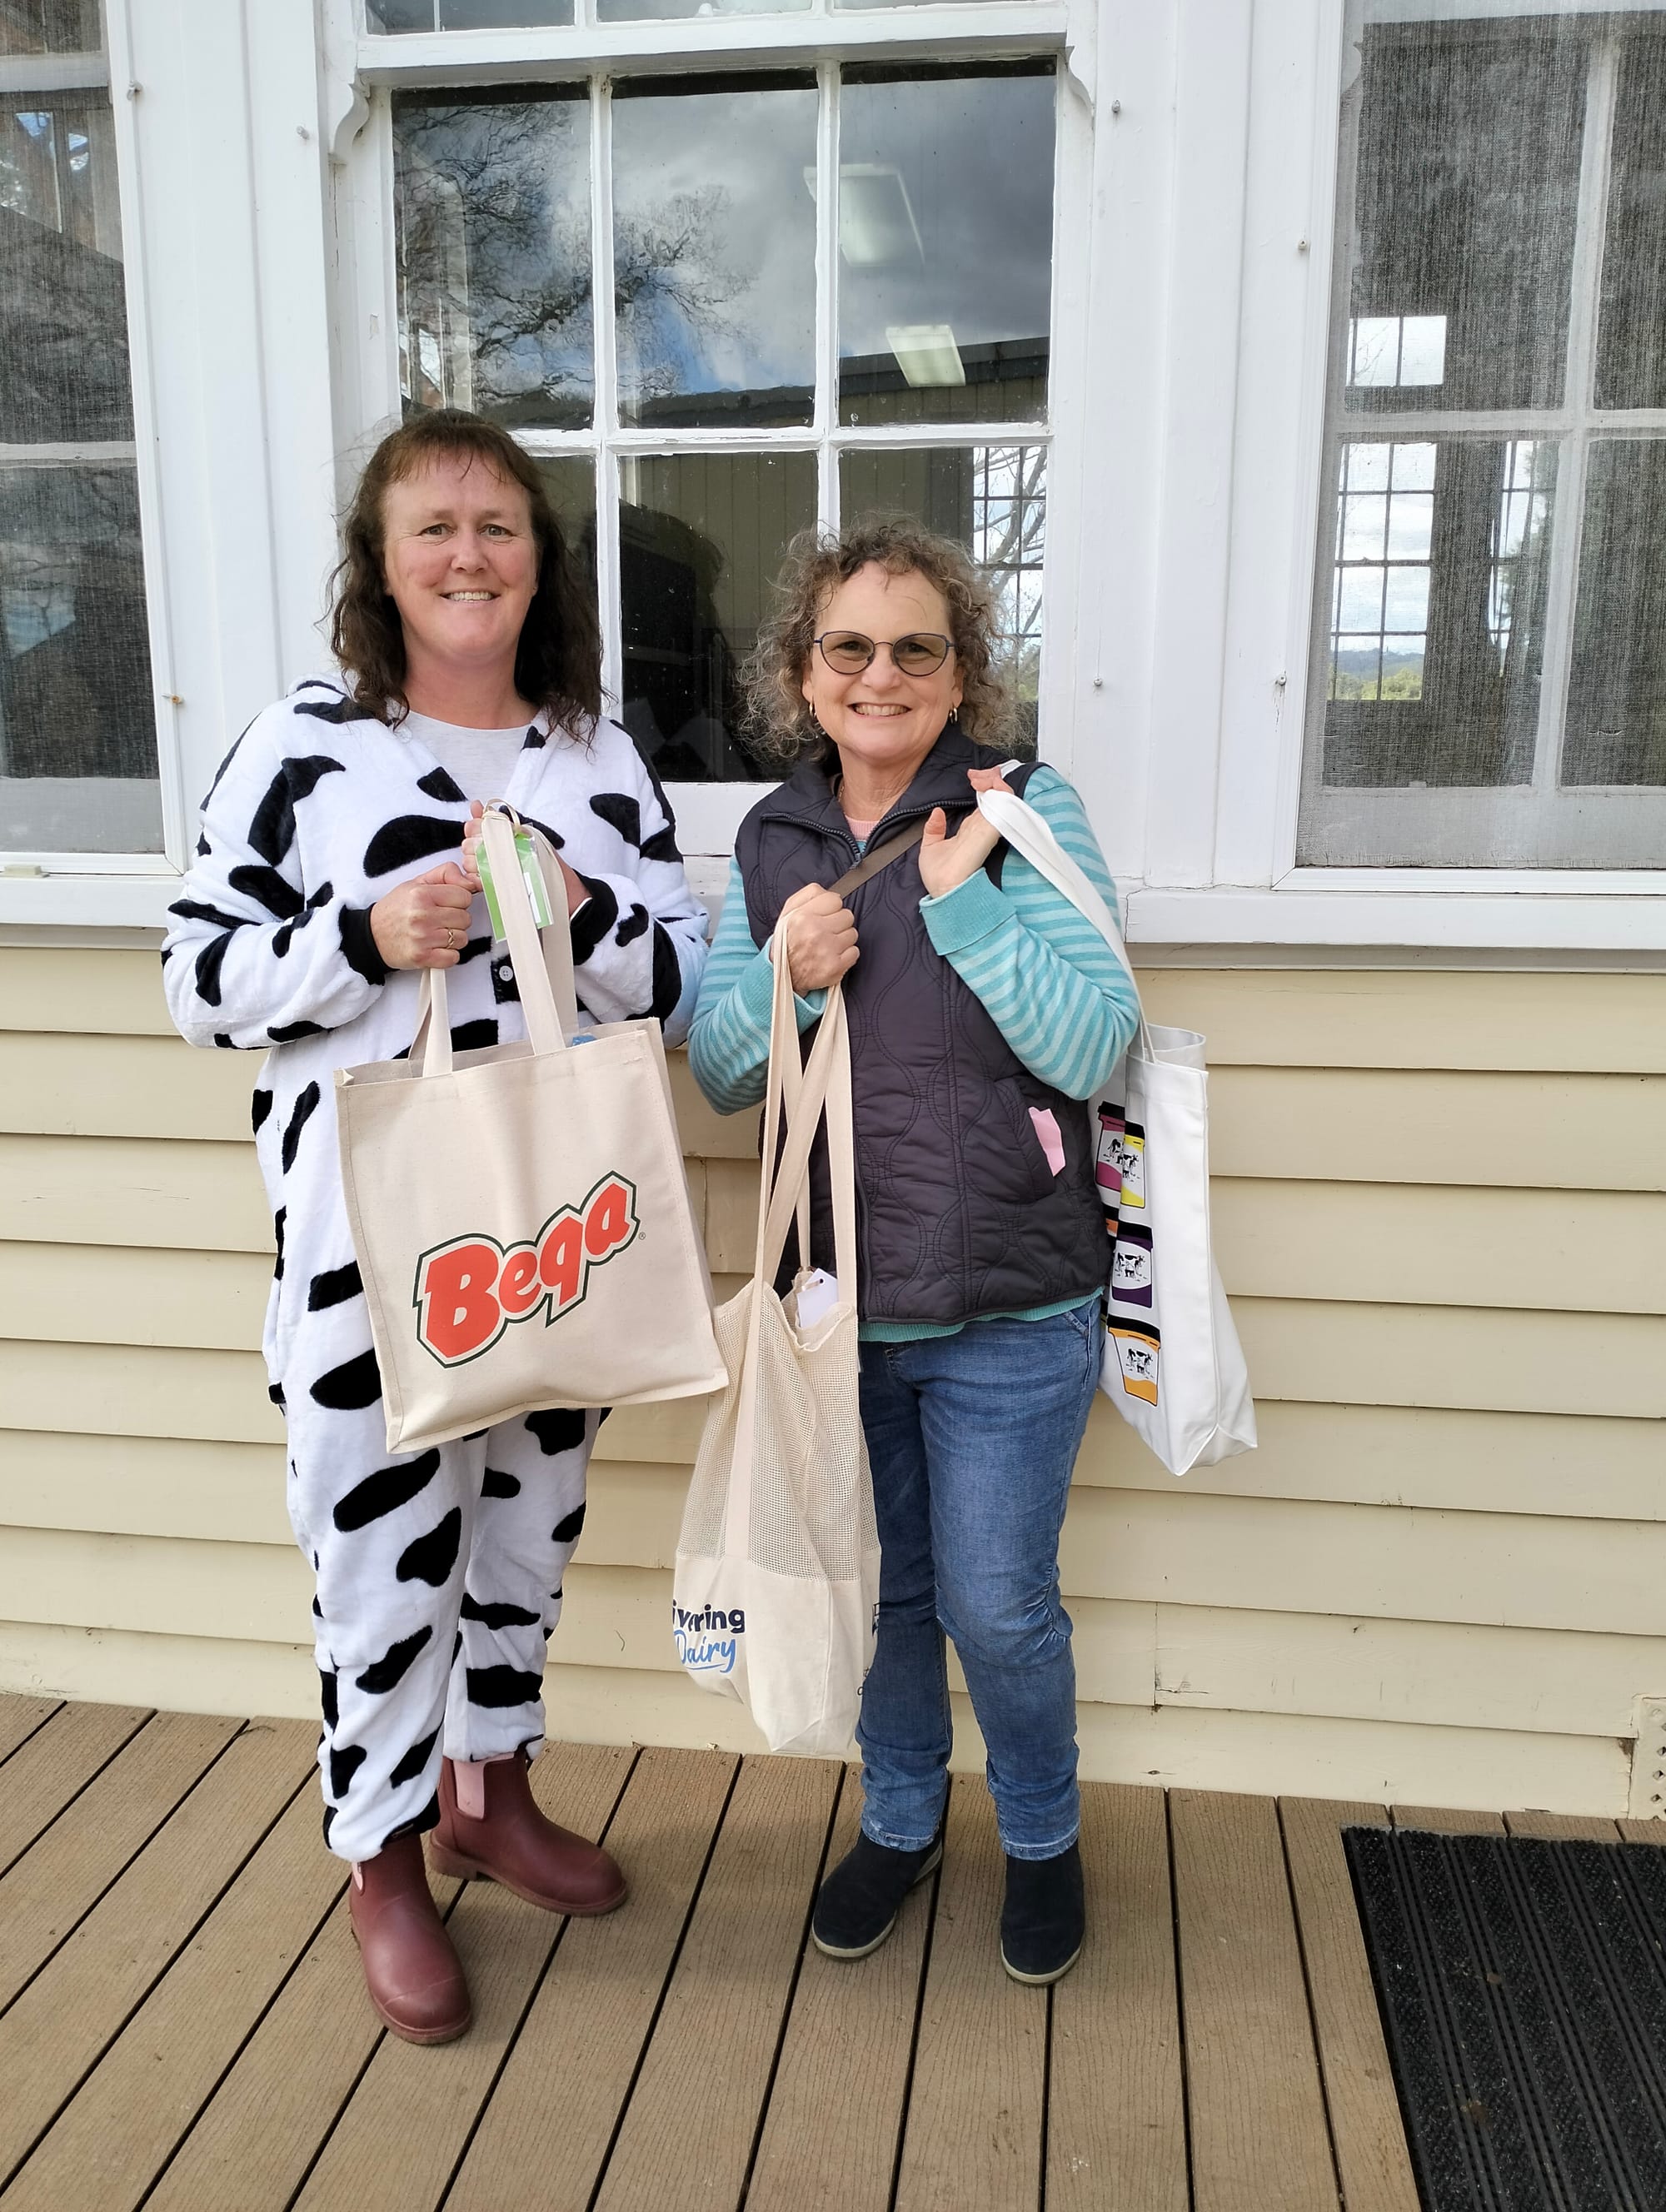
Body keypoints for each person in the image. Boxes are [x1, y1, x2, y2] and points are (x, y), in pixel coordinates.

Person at [162, 409, 710, 2044]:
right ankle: (380, 1852)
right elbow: (199, 977)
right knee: (379, 1550)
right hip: (363, 1239)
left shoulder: (591, 755)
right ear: (382, 562)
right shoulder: (304, 746)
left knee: (526, 1525)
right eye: (433, 528)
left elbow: (681, 982)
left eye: (498, 527)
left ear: (538, 563)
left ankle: (493, 1788)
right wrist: (366, 930)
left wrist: (576, 905)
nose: (468, 555)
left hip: (556, 1222)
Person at [688, 517, 1139, 1985]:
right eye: (849, 647)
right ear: (804, 677)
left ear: (961, 674)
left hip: (1017, 1302)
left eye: (916, 646)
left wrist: (964, 908)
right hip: (842, 1309)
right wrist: (789, 976)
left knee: (999, 1607)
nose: (881, 672)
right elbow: (721, 1069)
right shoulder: (770, 841)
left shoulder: (1028, 811)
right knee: (883, 1599)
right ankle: (897, 1820)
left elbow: (1095, 1040)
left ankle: (1041, 1839)